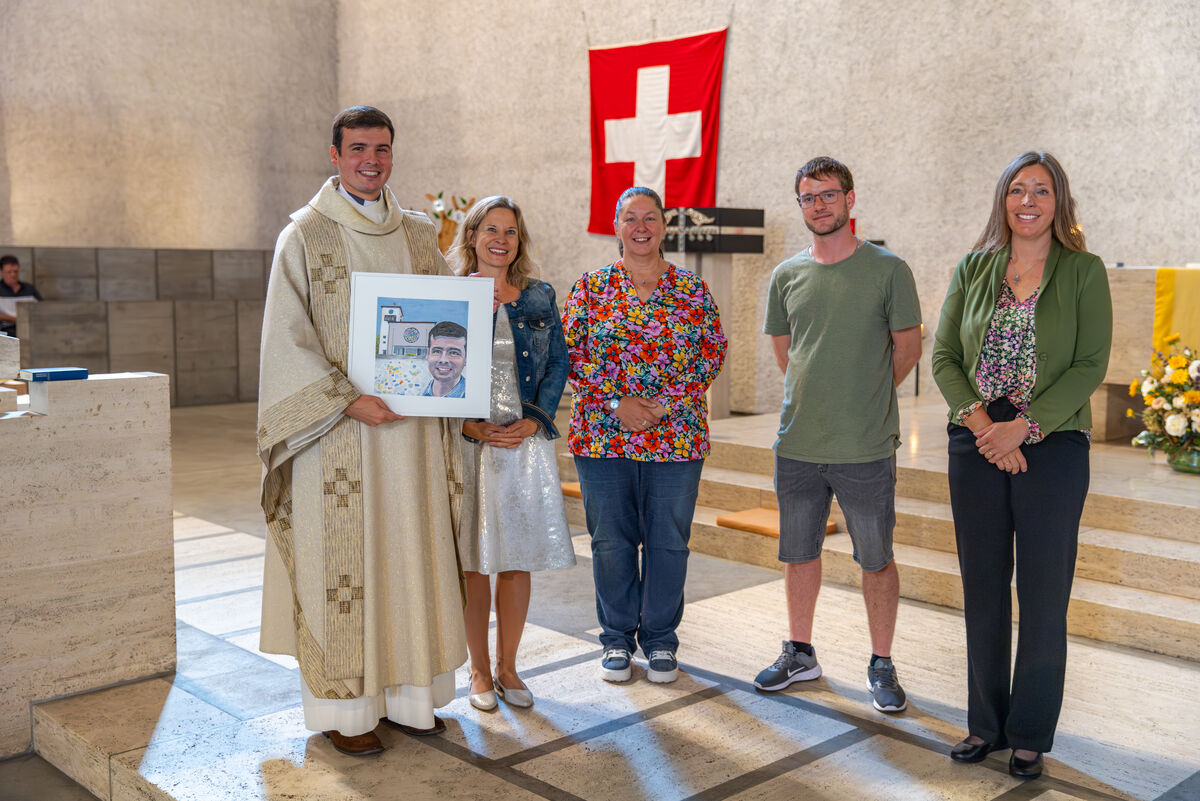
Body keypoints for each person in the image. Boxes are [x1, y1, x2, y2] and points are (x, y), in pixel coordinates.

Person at [256, 106, 466, 757]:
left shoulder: (420, 234)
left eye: (381, 149)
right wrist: (349, 400)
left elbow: (447, 323)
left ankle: (410, 700)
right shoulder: (304, 236)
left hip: (411, 436)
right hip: (337, 439)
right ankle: (346, 714)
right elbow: (285, 340)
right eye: (358, 149)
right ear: (336, 154)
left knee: (409, 557)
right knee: (348, 569)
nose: (371, 161)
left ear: (392, 154)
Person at [932, 151, 1111, 779]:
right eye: (1017, 189)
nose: (1027, 201)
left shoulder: (1083, 270)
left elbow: (1090, 363)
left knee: (1043, 593)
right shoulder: (974, 267)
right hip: (976, 438)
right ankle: (985, 724)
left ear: (1059, 201)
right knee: (982, 587)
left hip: (1054, 441)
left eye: (1041, 190)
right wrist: (985, 426)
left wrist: (1025, 427)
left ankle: (1030, 732)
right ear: (1002, 200)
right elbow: (944, 355)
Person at [755, 157, 923, 714]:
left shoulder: (888, 269)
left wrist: (863, 395)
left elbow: (908, 347)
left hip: (864, 445)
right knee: (798, 554)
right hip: (799, 442)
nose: (819, 205)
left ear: (850, 199)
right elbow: (787, 353)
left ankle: (882, 662)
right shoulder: (786, 275)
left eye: (828, 194)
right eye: (808, 197)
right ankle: (800, 653)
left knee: (875, 558)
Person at [564, 186, 727, 684]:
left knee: (668, 542)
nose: (640, 227)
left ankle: (660, 641)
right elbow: (570, 354)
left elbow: (712, 352)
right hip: (604, 436)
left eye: (650, 217)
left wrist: (664, 406)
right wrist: (619, 404)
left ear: (664, 226)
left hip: (675, 437)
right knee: (611, 542)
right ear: (616, 226)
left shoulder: (691, 289)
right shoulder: (591, 288)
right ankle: (616, 638)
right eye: (630, 217)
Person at [447, 195, 575, 711]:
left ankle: (509, 668)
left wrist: (536, 418)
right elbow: (430, 363)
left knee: (517, 559)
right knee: (475, 562)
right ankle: (479, 671)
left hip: (523, 442)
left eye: (511, 232)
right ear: (472, 236)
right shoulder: (449, 292)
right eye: (491, 229)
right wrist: (465, 423)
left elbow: (559, 363)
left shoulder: (539, 295)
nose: (501, 240)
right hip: (471, 443)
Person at [420, 321, 467, 397]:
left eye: (454, 353)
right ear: (428, 354)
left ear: (466, 358)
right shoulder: (416, 394)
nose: (443, 360)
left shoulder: (473, 394)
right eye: (437, 351)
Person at [0, 255, 42, 337]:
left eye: (15, 271)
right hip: (6, 330)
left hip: (30, 329)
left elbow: (41, 309)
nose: (13, 275)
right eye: (9, 272)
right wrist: (17, 319)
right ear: (1, 272)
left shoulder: (29, 289)